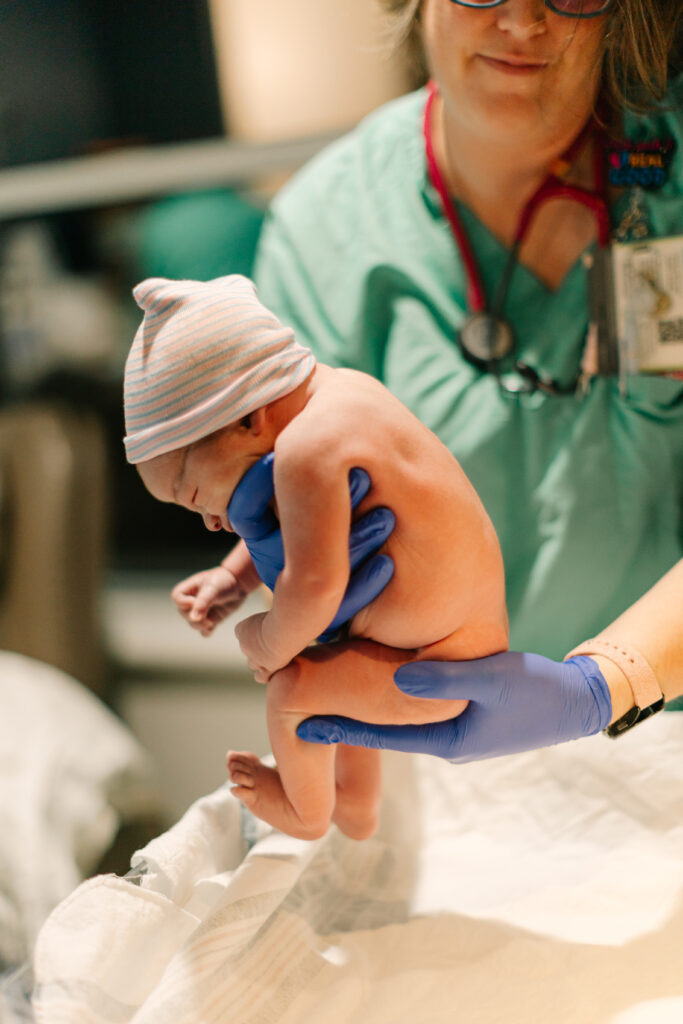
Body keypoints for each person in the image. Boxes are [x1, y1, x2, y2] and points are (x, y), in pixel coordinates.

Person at [244, 0, 683, 759]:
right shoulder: (328, 228)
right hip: (427, 734)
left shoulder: (665, 176)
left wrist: (603, 683)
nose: (521, 21)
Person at [123, 274, 511, 840]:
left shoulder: (307, 451)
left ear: (247, 419)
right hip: (452, 647)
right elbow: (294, 529)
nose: (210, 521)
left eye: (197, 497)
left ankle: (306, 814)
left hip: (442, 669)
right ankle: (354, 803)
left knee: (296, 687)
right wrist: (233, 578)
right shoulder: (343, 398)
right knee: (340, 662)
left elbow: (315, 583)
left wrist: (268, 642)